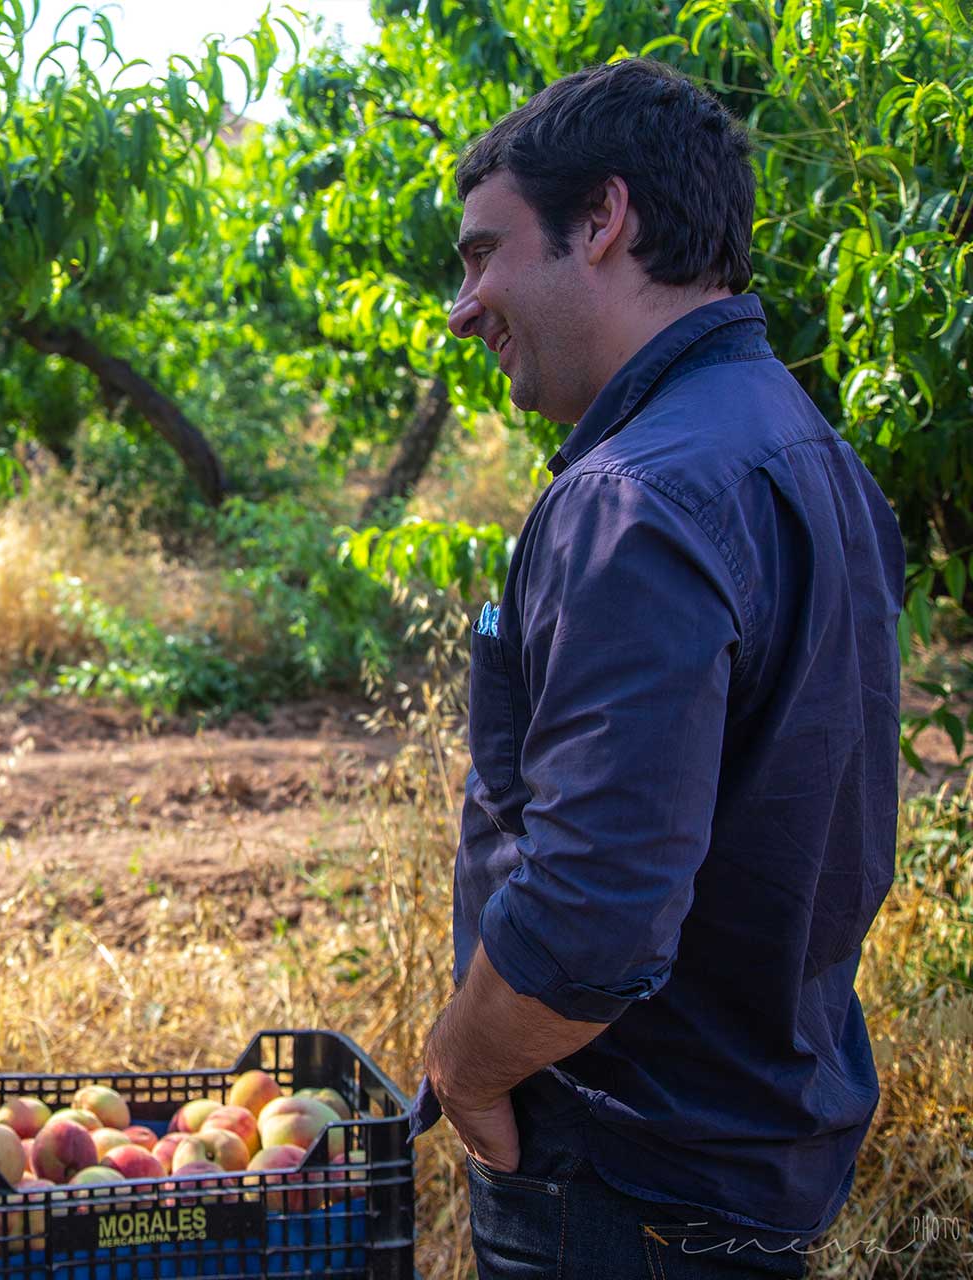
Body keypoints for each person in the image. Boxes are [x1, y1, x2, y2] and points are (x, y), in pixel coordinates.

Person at [412, 59, 904, 1278]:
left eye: (484, 253)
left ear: (604, 221)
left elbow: (592, 913)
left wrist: (465, 1073)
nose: (462, 306)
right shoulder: (810, 449)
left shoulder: (633, 496)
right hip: (749, 1148)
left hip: (619, 1181)